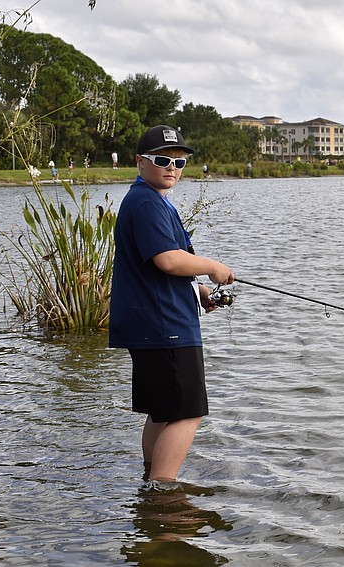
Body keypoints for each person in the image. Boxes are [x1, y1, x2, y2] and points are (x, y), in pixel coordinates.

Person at [109, 124, 235, 484]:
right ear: (140, 162)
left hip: (151, 323)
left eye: (179, 163)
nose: (172, 168)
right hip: (165, 327)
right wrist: (214, 268)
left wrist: (199, 292)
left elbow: (161, 266)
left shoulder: (148, 199)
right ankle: (164, 494)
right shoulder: (147, 201)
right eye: (162, 160)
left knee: (162, 412)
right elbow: (167, 259)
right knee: (186, 413)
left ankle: (151, 484)